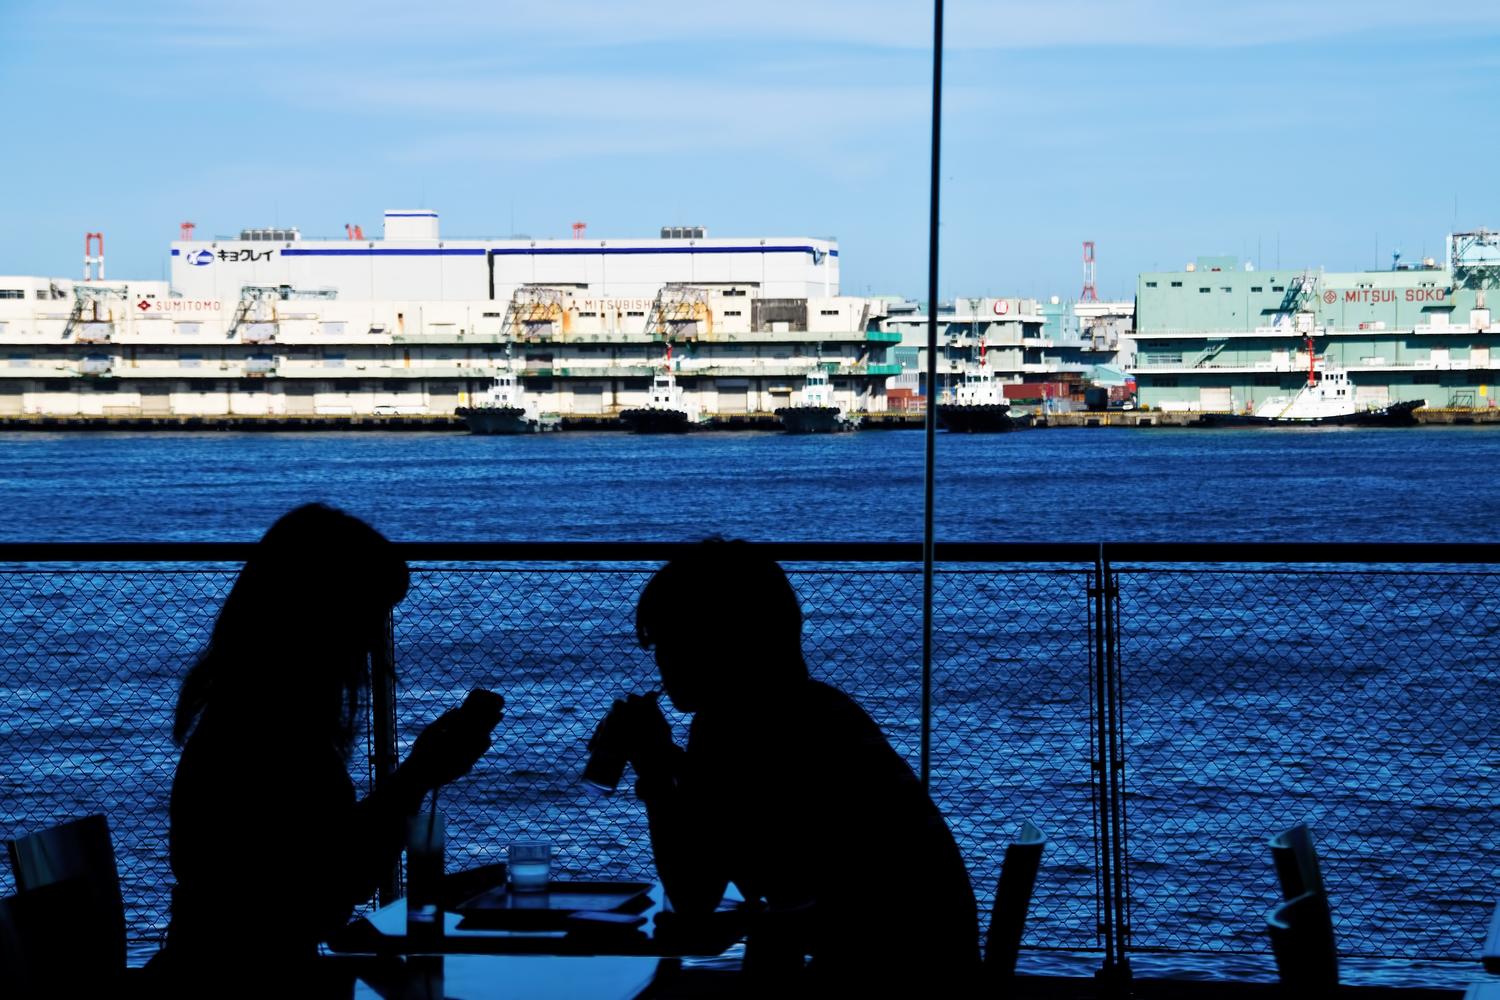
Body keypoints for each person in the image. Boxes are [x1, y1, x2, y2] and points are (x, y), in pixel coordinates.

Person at [148, 503, 502, 990]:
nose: (375, 641)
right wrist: (418, 776)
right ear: (320, 612)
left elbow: (325, 874)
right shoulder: (271, 733)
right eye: (367, 615)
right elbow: (332, 885)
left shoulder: (246, 714)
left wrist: (419, 774)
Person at [600, 539, 980, 990]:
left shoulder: (737, 728)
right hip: (934, 962)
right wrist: (672, 765)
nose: (663, 661)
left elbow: (694, 894)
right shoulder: (817, 711)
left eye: (672, 642)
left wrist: (656, 769)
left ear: (720, 642)